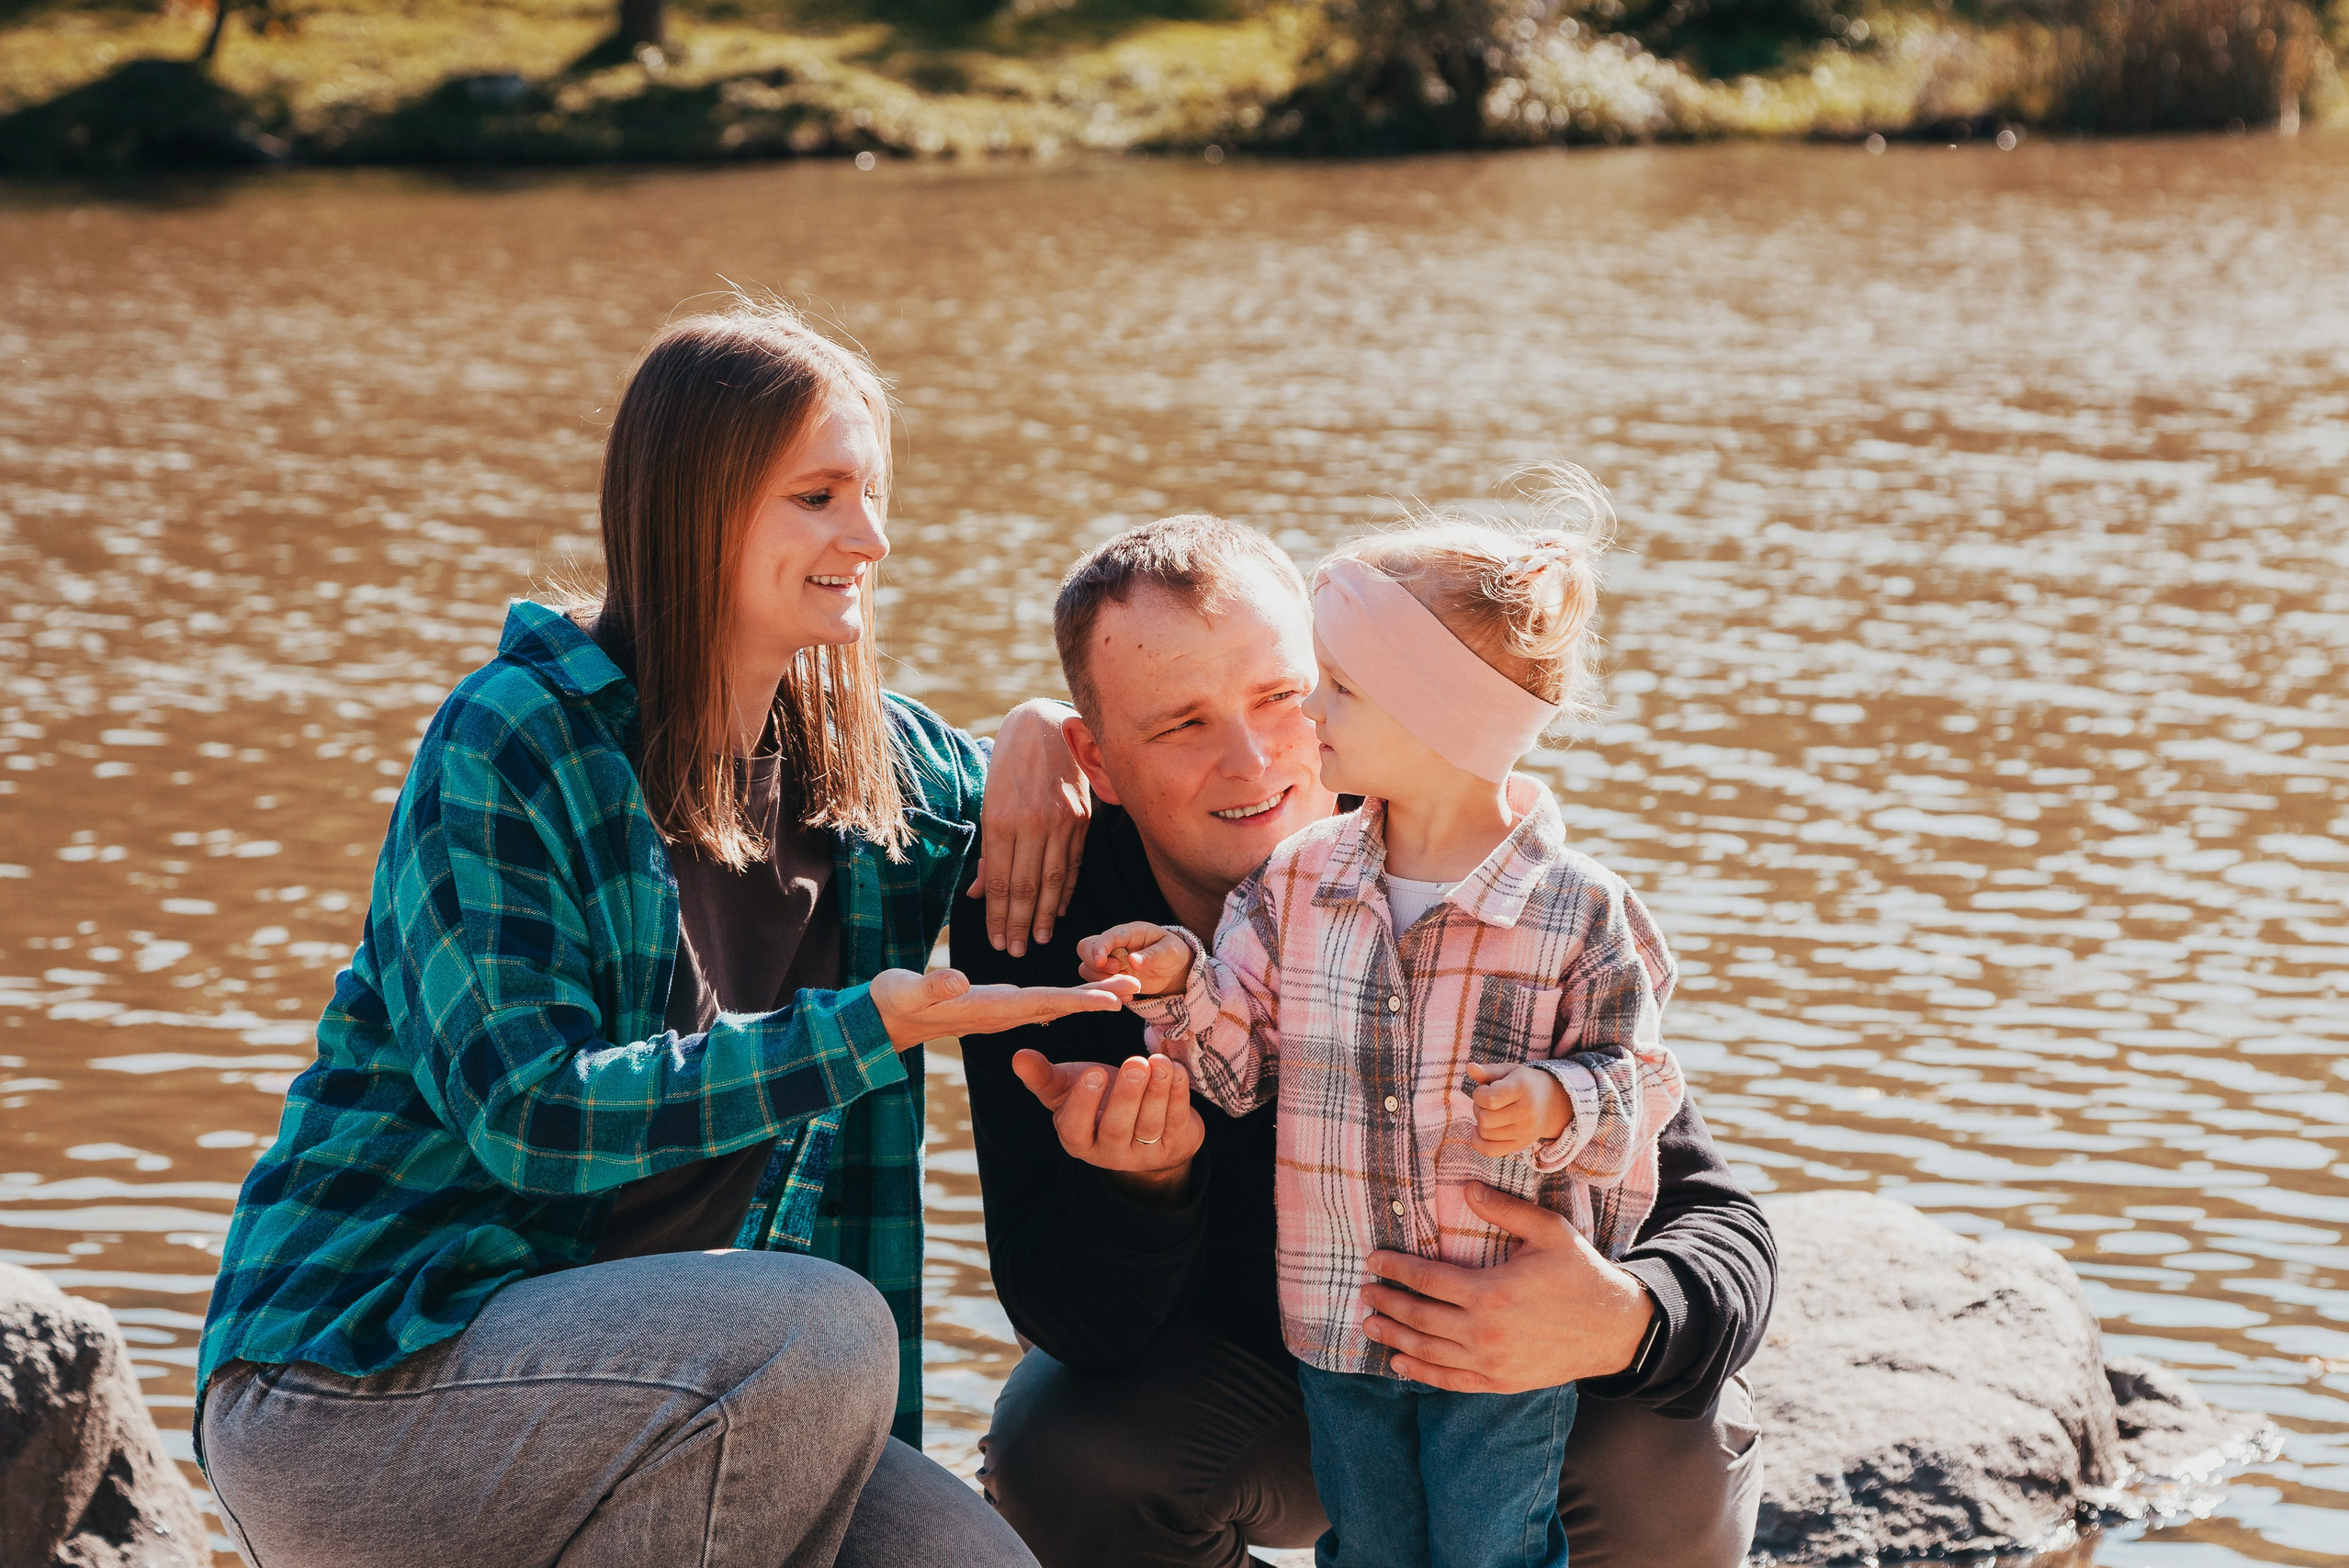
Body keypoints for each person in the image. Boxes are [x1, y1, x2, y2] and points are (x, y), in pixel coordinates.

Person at [192, 299, 1136, 1568]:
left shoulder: (873, 763)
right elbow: (530, 1112)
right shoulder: (516, 736)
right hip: (365, 1381)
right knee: (821, 1324)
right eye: (819, 496)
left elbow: (1110, 834)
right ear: (697, 507)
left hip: (674, 1392)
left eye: (871, 492)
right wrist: (864, 1029)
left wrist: (1043, 725)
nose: (872, 534)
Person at [954, 511, 1776, 1568]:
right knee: (1061, 1448)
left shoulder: (1467, 863)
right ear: (1096, 761)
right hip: (1285, 1380)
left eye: (1288, 698)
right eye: (1179, 726)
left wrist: (1618, 1320)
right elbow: (1071, 1324)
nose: (1254, 761)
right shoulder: (1042, 908)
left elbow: (1718, 1222)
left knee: (1674, 1432)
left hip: (1502, 1375)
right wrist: (1144, 1189)